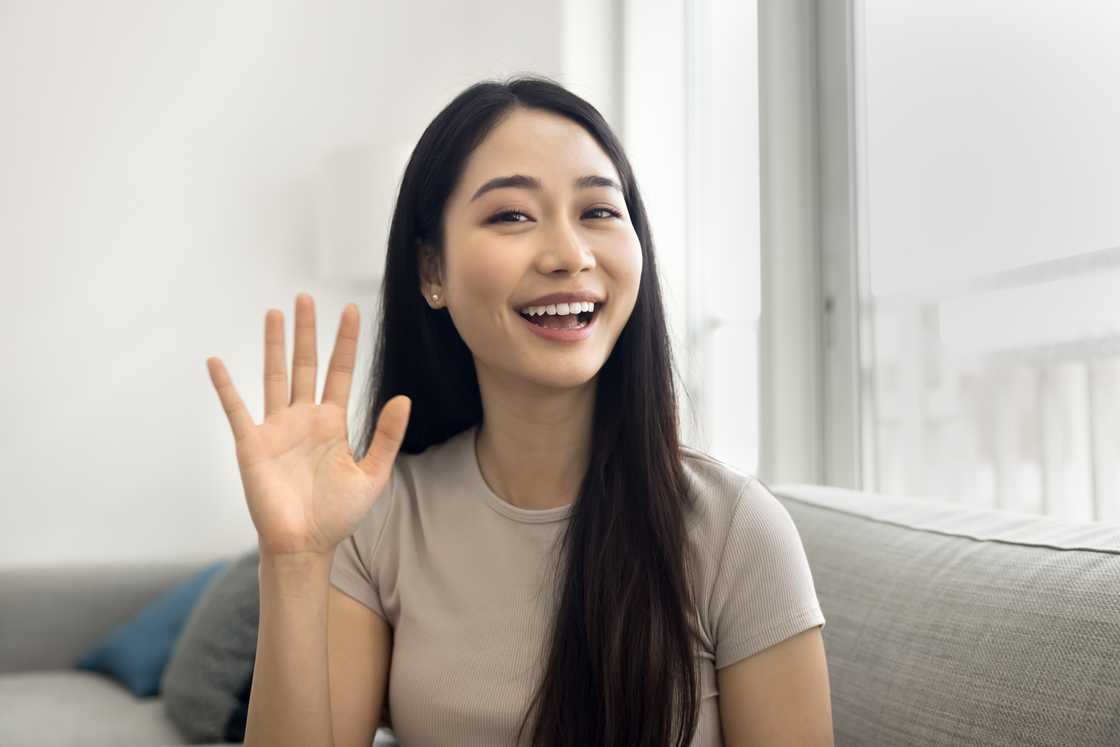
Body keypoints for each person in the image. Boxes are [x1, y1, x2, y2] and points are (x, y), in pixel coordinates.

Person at [206, 75, 833, 747]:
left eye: (599, 212)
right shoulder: (385, 521)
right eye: (511, 215)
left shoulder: (734, 531)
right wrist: (295, 562)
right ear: (431, 271)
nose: (570, 254)